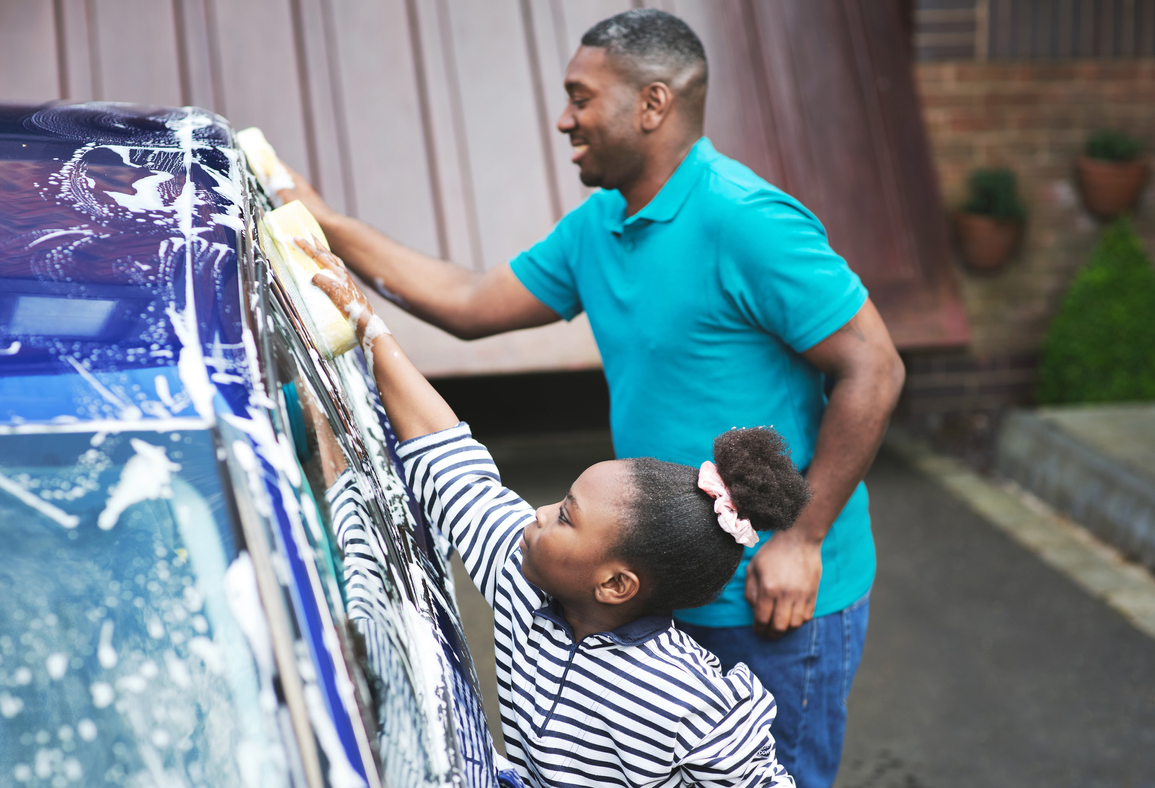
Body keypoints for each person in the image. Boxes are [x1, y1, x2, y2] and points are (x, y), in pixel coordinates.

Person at [278, 9, 904, 785]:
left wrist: (802, 539)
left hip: (776, 591)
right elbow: (470, 301)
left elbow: (875, 368)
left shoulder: (747, 221)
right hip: (648, 582)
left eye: (581, 96)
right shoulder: (600, 225)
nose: (563, 117)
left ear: (652, 104)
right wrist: (326, 227)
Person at [301, 236, 805, 786]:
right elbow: (452, 462)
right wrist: (371, 331)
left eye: (566, 516)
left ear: (615, 585)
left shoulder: (689, 705)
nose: (538, 513)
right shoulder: (525, 586)